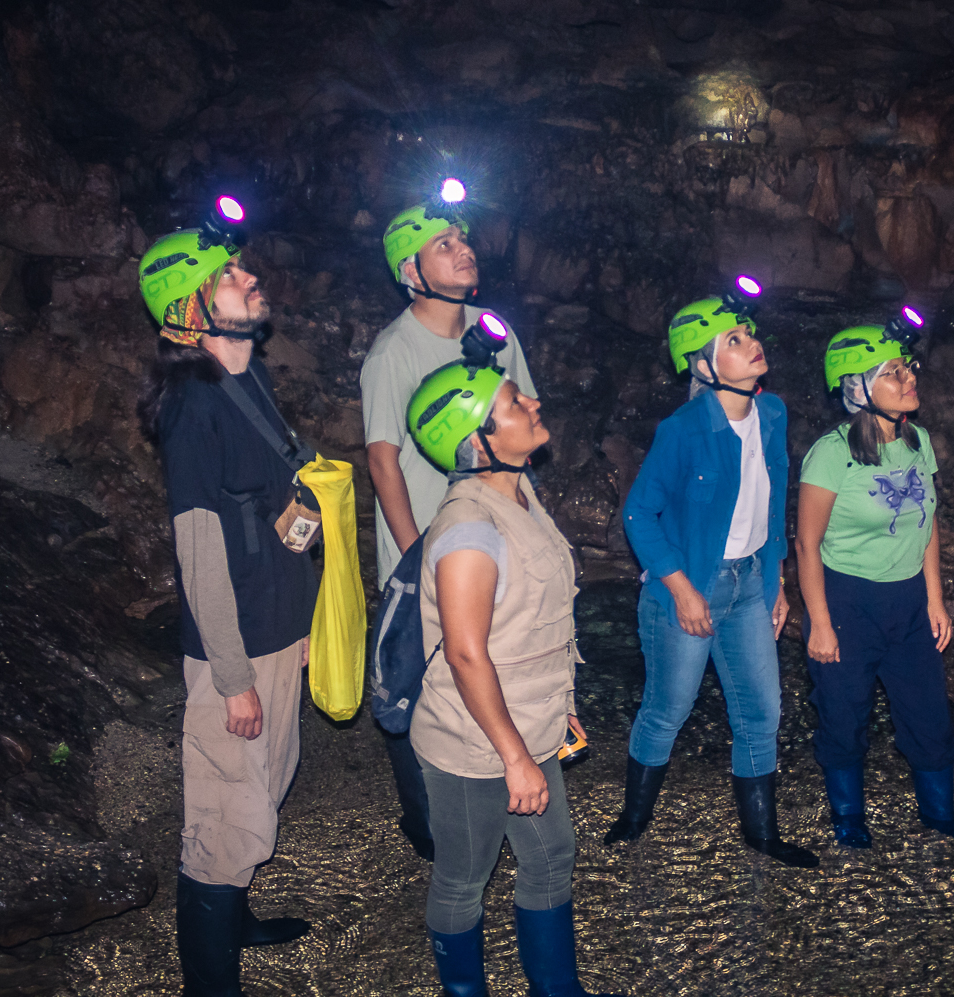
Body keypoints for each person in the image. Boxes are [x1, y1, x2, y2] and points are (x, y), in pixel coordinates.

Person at [135, 207, 319, 997]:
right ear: (190, 308)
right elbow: (200, 552)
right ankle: (209, 985)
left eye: (242, 268)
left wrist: (304, 621)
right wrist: (233, 676)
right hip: (232, 648)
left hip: (276, 627)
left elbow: (270, 503)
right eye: (230, 275)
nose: (250, 278)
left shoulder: (249, 378)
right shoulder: (193, 408)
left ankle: (236, 923)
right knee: (221, 821)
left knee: (263, 787)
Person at [404, 342, 620, 997]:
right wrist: (515, 759)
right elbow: (467, 653)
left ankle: (556, 989)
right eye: (513, 402)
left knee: (552, 855)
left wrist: (560, 705)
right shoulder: (469, 527)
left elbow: (533, 623)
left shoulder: (519, 493)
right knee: (463, 876)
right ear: (478, 439)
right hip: (477, 743)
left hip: (527, 722)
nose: (533, 401)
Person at [604, 285, 819, 867]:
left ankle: (762, 836)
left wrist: (777, 582)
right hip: (690, 588)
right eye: (734, 340)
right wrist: (681, 590)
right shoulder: (683, 430)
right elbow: (638, 514)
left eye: (748, 334)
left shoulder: (772, 414)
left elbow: (772, 504)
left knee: (762, 712)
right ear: (703, 366)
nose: (752, 344)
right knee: (667, 710)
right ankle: (632, 821)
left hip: (751, 586)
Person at [361, 185, 537, 860]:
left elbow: (521, 430)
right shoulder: (393, 353)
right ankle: (427, 826)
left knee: (495, 664)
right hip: (429, 547)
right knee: (426, 684)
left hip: (495, 536)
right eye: (444, 245)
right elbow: (382, 460)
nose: (464, 251)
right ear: (411, 271)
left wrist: (533, 526)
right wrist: (419, 559)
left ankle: (498, 790)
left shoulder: (493, 330)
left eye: (463, 240)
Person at [797, 313, 954, 853]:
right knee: (843, 714)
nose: (908, 378)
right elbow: (807, 544)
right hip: (847, 602)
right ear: (858, 388)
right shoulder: (831, 454)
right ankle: (849, 819)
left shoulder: (917, 440)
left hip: (907, 600)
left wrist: (935, 599)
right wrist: (820, 623)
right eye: (892, 372)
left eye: (907, 367)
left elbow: (926, 521)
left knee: (928, 712)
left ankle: (940, 816)